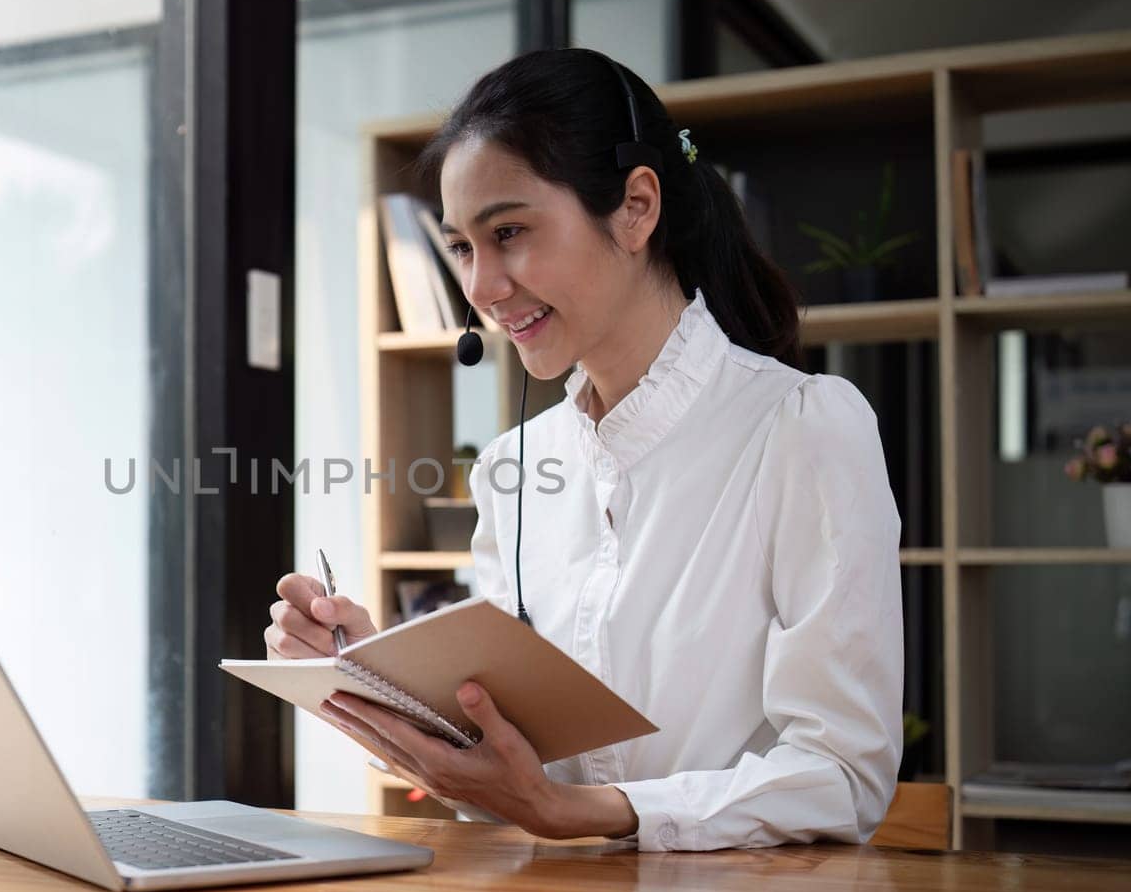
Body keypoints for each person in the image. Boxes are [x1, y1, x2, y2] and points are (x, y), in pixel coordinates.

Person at [264, 48, 903, 851]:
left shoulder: (805, 428)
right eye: (462, 246)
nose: (482, 287)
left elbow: (846, 777)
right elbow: (512, 790)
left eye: (509, 232)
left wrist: (584, 814)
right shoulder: (511, 470)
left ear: (636, 208)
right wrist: (379, 680)